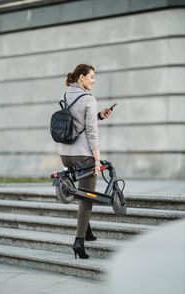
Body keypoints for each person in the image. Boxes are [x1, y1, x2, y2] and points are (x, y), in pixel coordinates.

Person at [58, 64, 113, 259]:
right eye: (91, 76)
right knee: (88, 197)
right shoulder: (89, 99)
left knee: (81, 193)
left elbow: (76, 123)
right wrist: (97, 160)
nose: (93, 80)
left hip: (65, 154)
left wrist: (99, 116)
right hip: (83, 155)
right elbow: (90, 132)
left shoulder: (66, 95)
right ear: (81, 77)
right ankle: (79, 241)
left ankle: (87, 232)